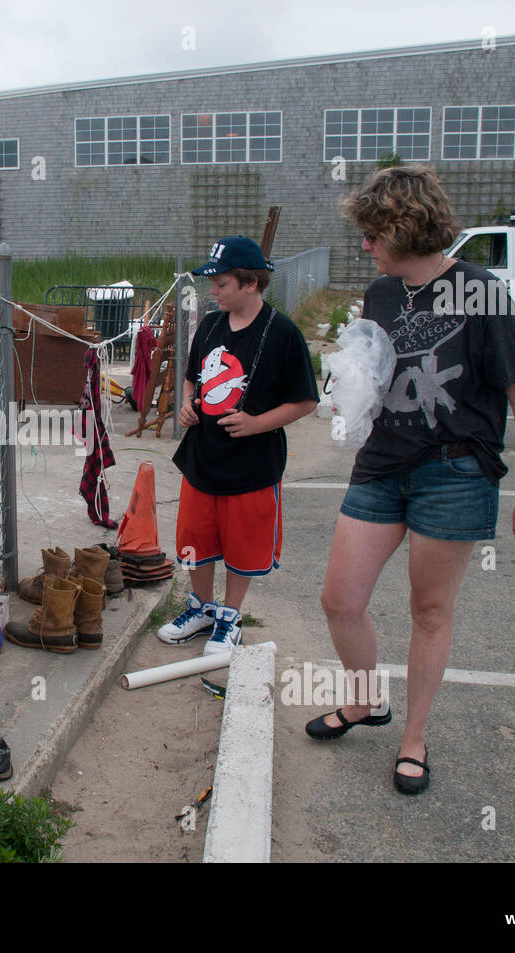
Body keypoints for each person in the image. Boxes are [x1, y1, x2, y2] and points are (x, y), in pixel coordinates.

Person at [307, 165, 515, 795]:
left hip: (454, 473)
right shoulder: (383, 292)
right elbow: (379, 370)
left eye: (371, 234)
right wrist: (351, 394)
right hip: (382, 465)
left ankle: (413, 739)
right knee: (340, 600)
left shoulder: (480, 290)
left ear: (404, 227)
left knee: (430, 610)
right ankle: (365, 702)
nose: (365, 245)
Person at [158, 236, 319, 655]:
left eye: (221, 283)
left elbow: (305, 401)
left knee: (242, 543)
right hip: (203, 456)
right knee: (195, 538)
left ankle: (230, 616)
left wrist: (257, 423)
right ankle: (201, 607)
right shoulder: (211, 324)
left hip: (252, 464)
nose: (213, 291)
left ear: (250, 284)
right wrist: (187, 405)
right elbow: (192, 377)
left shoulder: (283, 333)